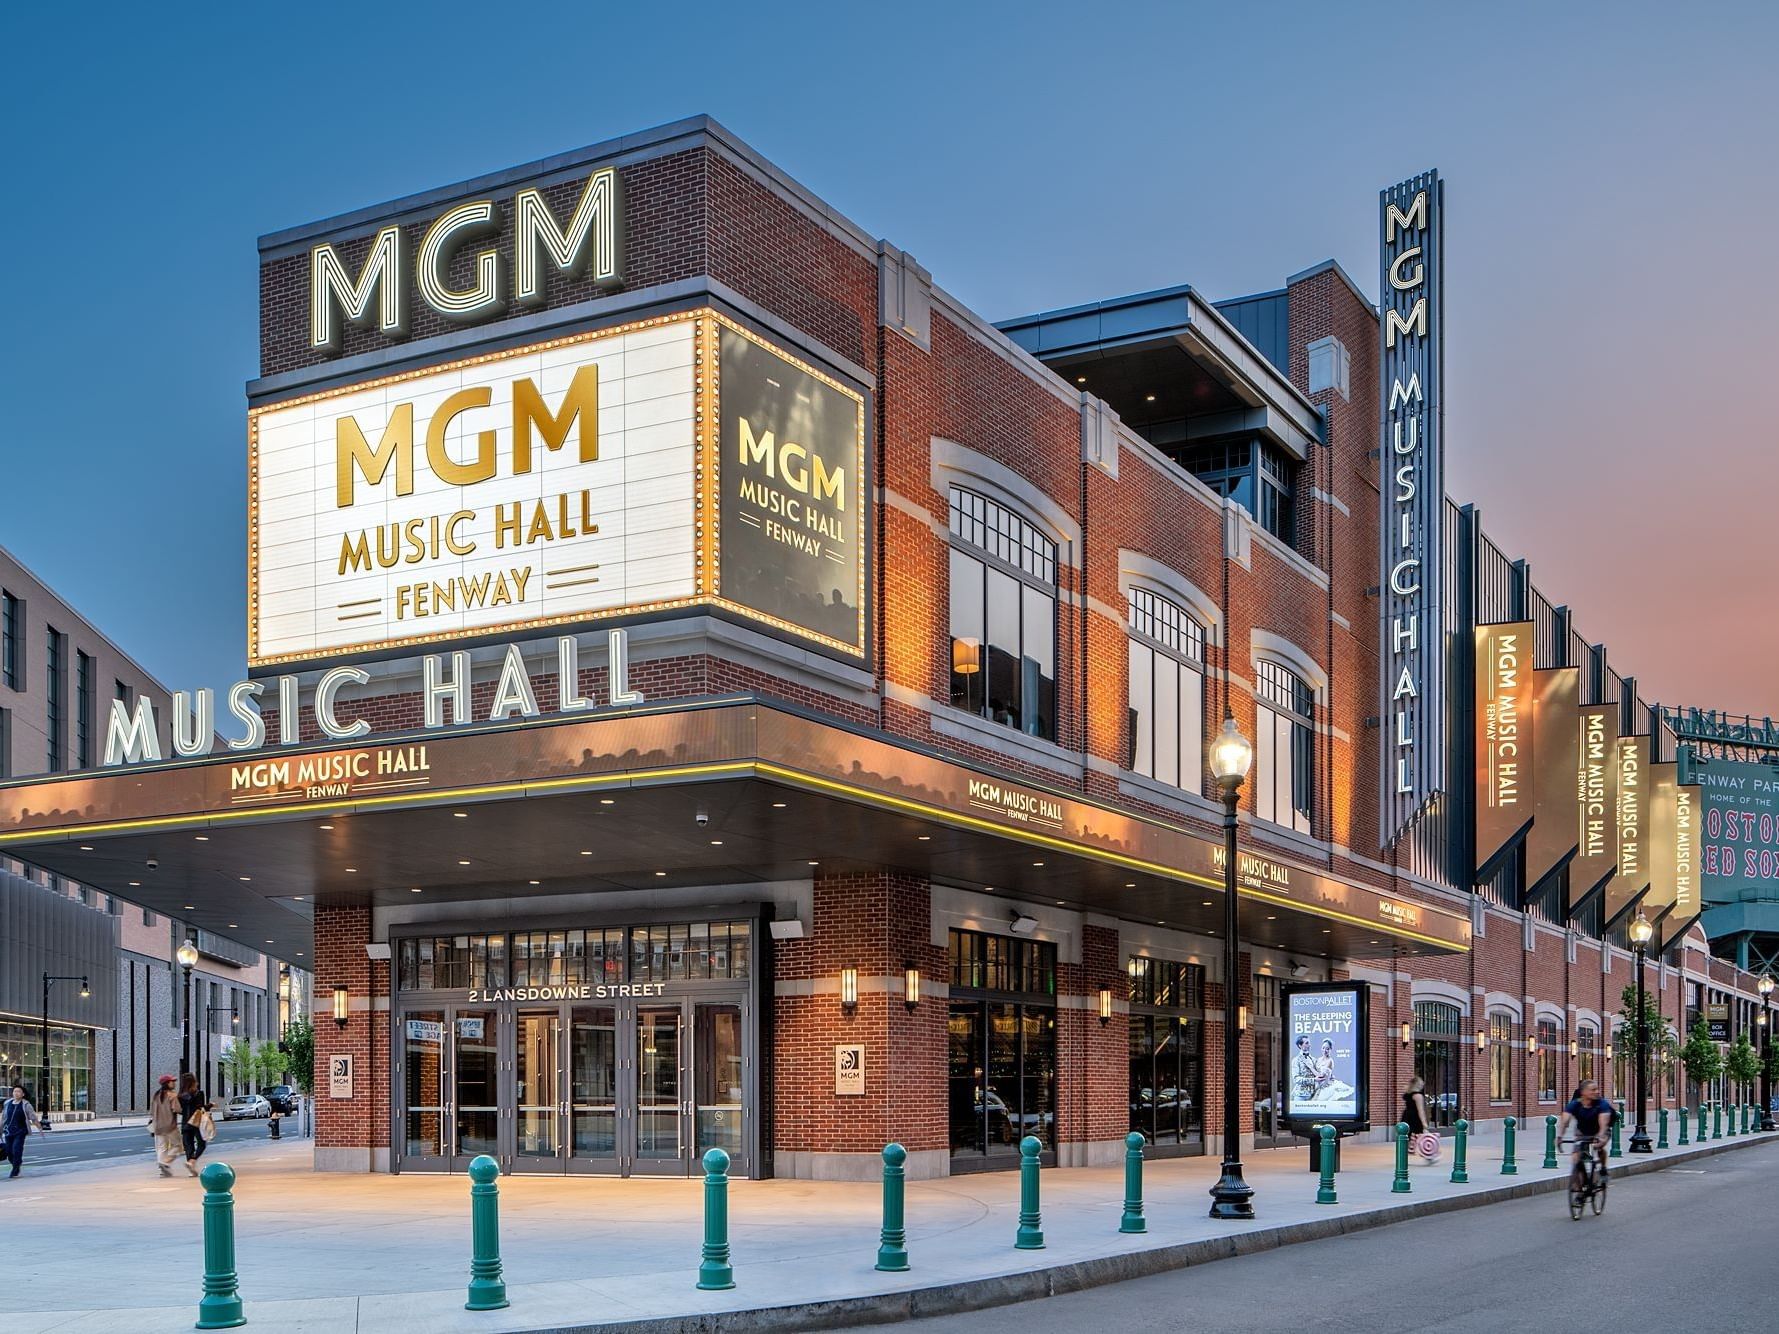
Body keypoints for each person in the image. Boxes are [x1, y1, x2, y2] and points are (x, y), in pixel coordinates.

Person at [1558, 1079, 1614, 1184]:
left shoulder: (1602, 1104)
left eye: (1597, 1089)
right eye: (1593, 1090)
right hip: (1583, 1131)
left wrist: (1600, 1137)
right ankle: (1580, 1185)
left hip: (1600, 1130)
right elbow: (1564, 1121)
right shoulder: (1575, 1104)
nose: (1597, 1092)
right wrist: (1560, 1137)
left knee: (1598, 1147)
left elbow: (1603, 1123)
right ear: (1583, 1092)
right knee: (1576, 1156)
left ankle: (1603, 1169)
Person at [2, 1084, 48, 1178]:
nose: (16, 1093)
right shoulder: (7, 1103)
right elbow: (3, 1118)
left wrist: (39, 1128)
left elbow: (33, 1118)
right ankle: (17, 1163)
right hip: (8, 1131)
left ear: (23, 1094)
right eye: (15, 1091)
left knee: (16, 1149)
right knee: (9, 1151)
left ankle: (15, 1170)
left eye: (19, 1091)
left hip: (20, 1131)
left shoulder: (26, 1105)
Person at [149, 1075, 183, 1177]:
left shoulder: (156, 1095)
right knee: (178, 1146)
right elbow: (177, 1109)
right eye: (172, 1081)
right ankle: (166, 1162)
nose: (174, 1083)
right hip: (170, 1126)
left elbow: (152, 1112)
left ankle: (162, 1170)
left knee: (161, 1148)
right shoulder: (172, 1095)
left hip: (157, 1126)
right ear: (167, 1083)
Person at [177, 1072, 211, 1176]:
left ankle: (191, 1167)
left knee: (188, 1145)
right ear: (194, 1082)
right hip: (196, 1122)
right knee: (201, 1143)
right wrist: (210, 1105)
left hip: (185, 1123)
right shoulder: (198, 1093)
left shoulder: (180, 1096)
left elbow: (180, 1110)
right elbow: (201, 1108)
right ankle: (192, 1161)